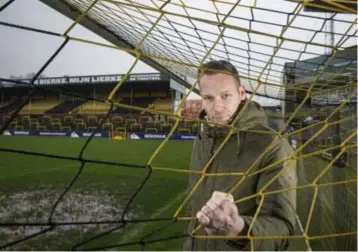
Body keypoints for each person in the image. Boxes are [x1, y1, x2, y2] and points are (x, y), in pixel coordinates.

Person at [183, 60, 297, 251]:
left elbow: (282, 229)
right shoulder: (202, 138)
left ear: (242, 93)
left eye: (225, 96)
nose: (217, 107)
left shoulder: (273, 146)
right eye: (209, 98)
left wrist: (237, 228)